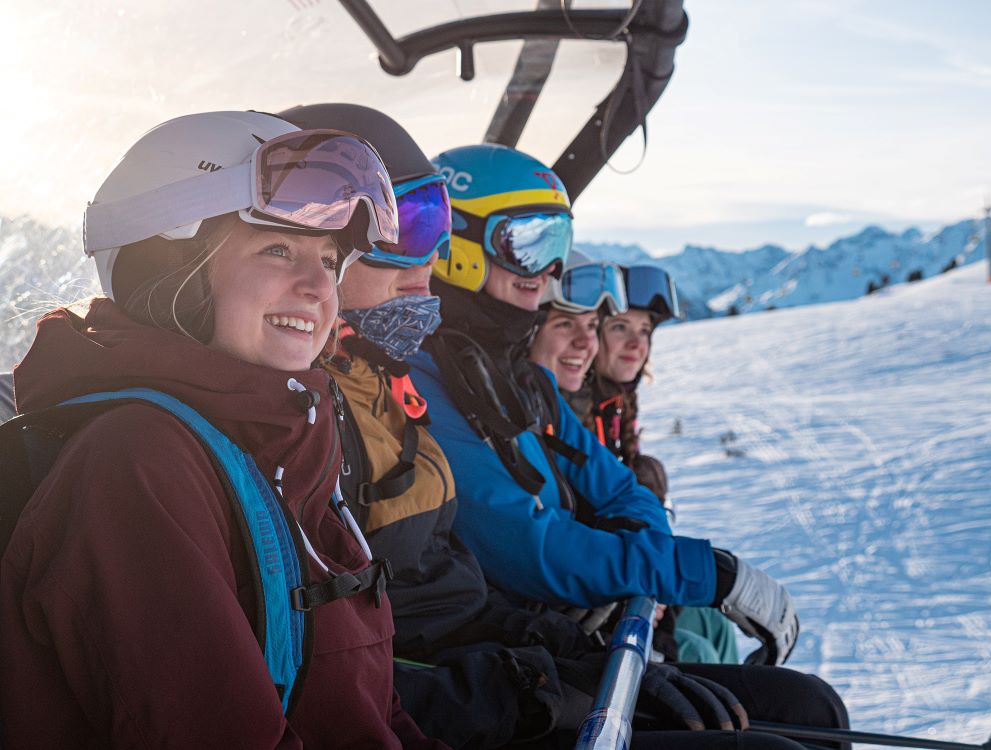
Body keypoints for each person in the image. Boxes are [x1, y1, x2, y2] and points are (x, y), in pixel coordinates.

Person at [281, 106, 833, 750]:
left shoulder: (493, 378)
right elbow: (518, 544)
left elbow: (617, 488)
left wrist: (622, 590)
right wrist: (674, 580)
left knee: (809, 707)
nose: (547, 272)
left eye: (558, 248)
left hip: (502, 656)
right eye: (530, 242)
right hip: (472, 686)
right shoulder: (413, 378)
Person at [0, 110, 447, 749]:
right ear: (168, 267)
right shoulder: (136, 465)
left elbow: (371, 712)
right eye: (277, 249)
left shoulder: (285, 436)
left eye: (329, 259)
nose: (318, 286)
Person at [591, 264, 739, 664]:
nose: (636, 343)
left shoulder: (616, 406)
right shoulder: (575, 412)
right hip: (604, 596)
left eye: (644, 331)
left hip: (633, 576)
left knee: (715, 624)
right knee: (696, 652)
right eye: (620, 327)